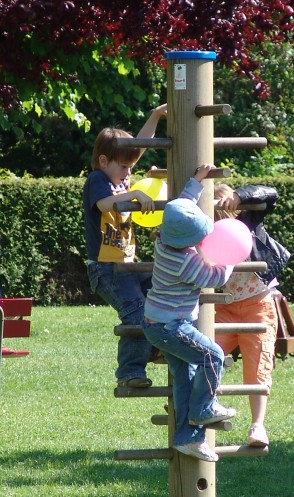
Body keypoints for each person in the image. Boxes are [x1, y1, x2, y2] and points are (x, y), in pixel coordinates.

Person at [142, 165, 236, 462]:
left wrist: (196, 181)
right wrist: (230, 254)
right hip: (171, 327)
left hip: (157, 324)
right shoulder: (185, 263)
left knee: (186, 376)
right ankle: (204, 409)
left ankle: (188, 438)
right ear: (188, 242)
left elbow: (182, 203)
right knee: (213, 356)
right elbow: (216, 277)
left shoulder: (164, 240)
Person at [83, 104, 167, 389]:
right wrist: (133, 194)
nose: (129, 172)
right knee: (135, 312)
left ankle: (155, 347)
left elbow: (138, 148)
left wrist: (155, 115)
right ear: (103, 161)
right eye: (124, 167)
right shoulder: (98, 179)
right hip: (106, 269)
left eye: (131, 168)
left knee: (163, 296)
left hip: (129, 267)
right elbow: (104, 205)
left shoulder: (121, 177)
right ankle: (129, 373)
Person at [213, 182, 290, 448]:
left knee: (258, 364)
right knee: (204, 353)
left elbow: (271, 193)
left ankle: (257, 425)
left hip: (257, 304)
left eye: (225, 212)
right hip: (224, 305)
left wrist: (240, 196)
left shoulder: (249, 221)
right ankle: (198, 404)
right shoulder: (206, 230)